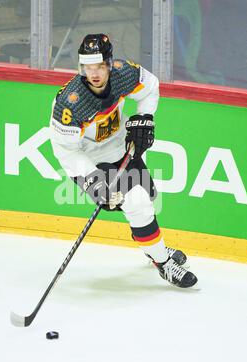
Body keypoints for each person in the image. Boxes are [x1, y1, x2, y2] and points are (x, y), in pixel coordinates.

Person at [49, 33, 198, 288]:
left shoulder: (122, 73)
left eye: (98, 66)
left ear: (109, 62)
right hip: (89, 158)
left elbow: (150, 87)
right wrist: (93, 182)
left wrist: (145, 118)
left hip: (120, 146)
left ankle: (155, 251)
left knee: (148, 199)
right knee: (137, 202)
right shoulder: (70, 104)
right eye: (87, 67)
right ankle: (164, 264)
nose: (93, 73)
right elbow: (66, 151)